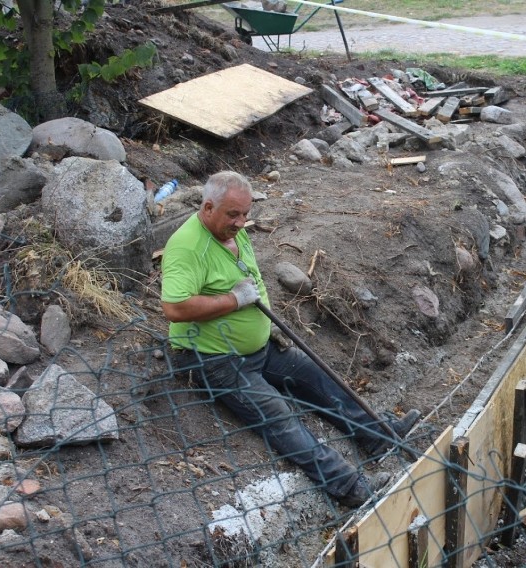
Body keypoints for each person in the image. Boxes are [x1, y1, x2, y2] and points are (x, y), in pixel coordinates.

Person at [160, 170, 420, 507]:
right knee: (280, 417)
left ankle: (379, 436)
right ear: (208, 207)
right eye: (233, 214)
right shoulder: (187, 246)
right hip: (215, 359)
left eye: (246, 214)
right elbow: (175, 308)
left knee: (317, 375)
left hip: (260, 348)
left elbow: (250, 281)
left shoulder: (232, 233)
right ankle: (350, 487)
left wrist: (267, 327)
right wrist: (232, 301)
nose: (241, 222)